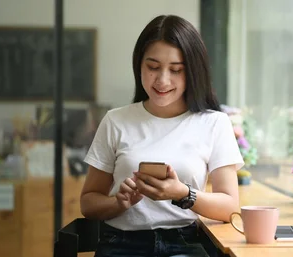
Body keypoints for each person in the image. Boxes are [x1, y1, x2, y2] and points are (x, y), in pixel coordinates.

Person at [80, 14, 244, 257]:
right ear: (139, 65)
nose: (162, 80)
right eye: (153, 67)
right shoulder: (116, 121)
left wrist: (182, 193)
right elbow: (88, 203)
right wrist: (119, 202)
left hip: (185, 244)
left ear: (192, 72)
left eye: (176, 70)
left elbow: (230, 207)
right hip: (121, 244)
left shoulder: (214, 123)